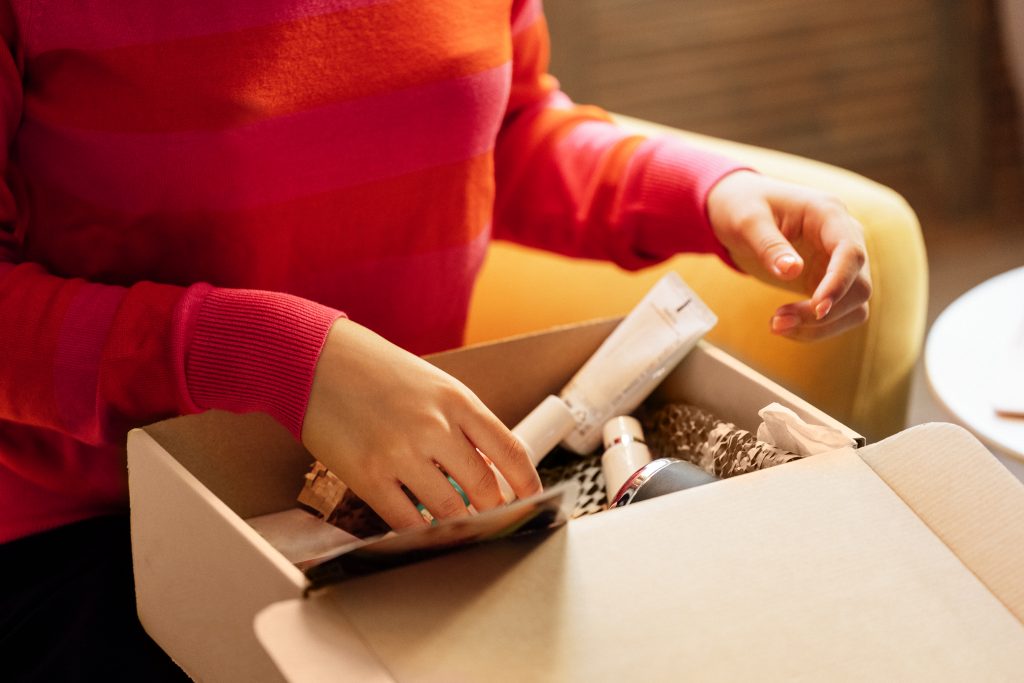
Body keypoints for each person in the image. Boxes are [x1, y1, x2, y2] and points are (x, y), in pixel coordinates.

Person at [0, 0, 870, 679]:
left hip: (410, 510)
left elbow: (504, 130)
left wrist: (705, 195)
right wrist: (274, 356)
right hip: (89, 534)